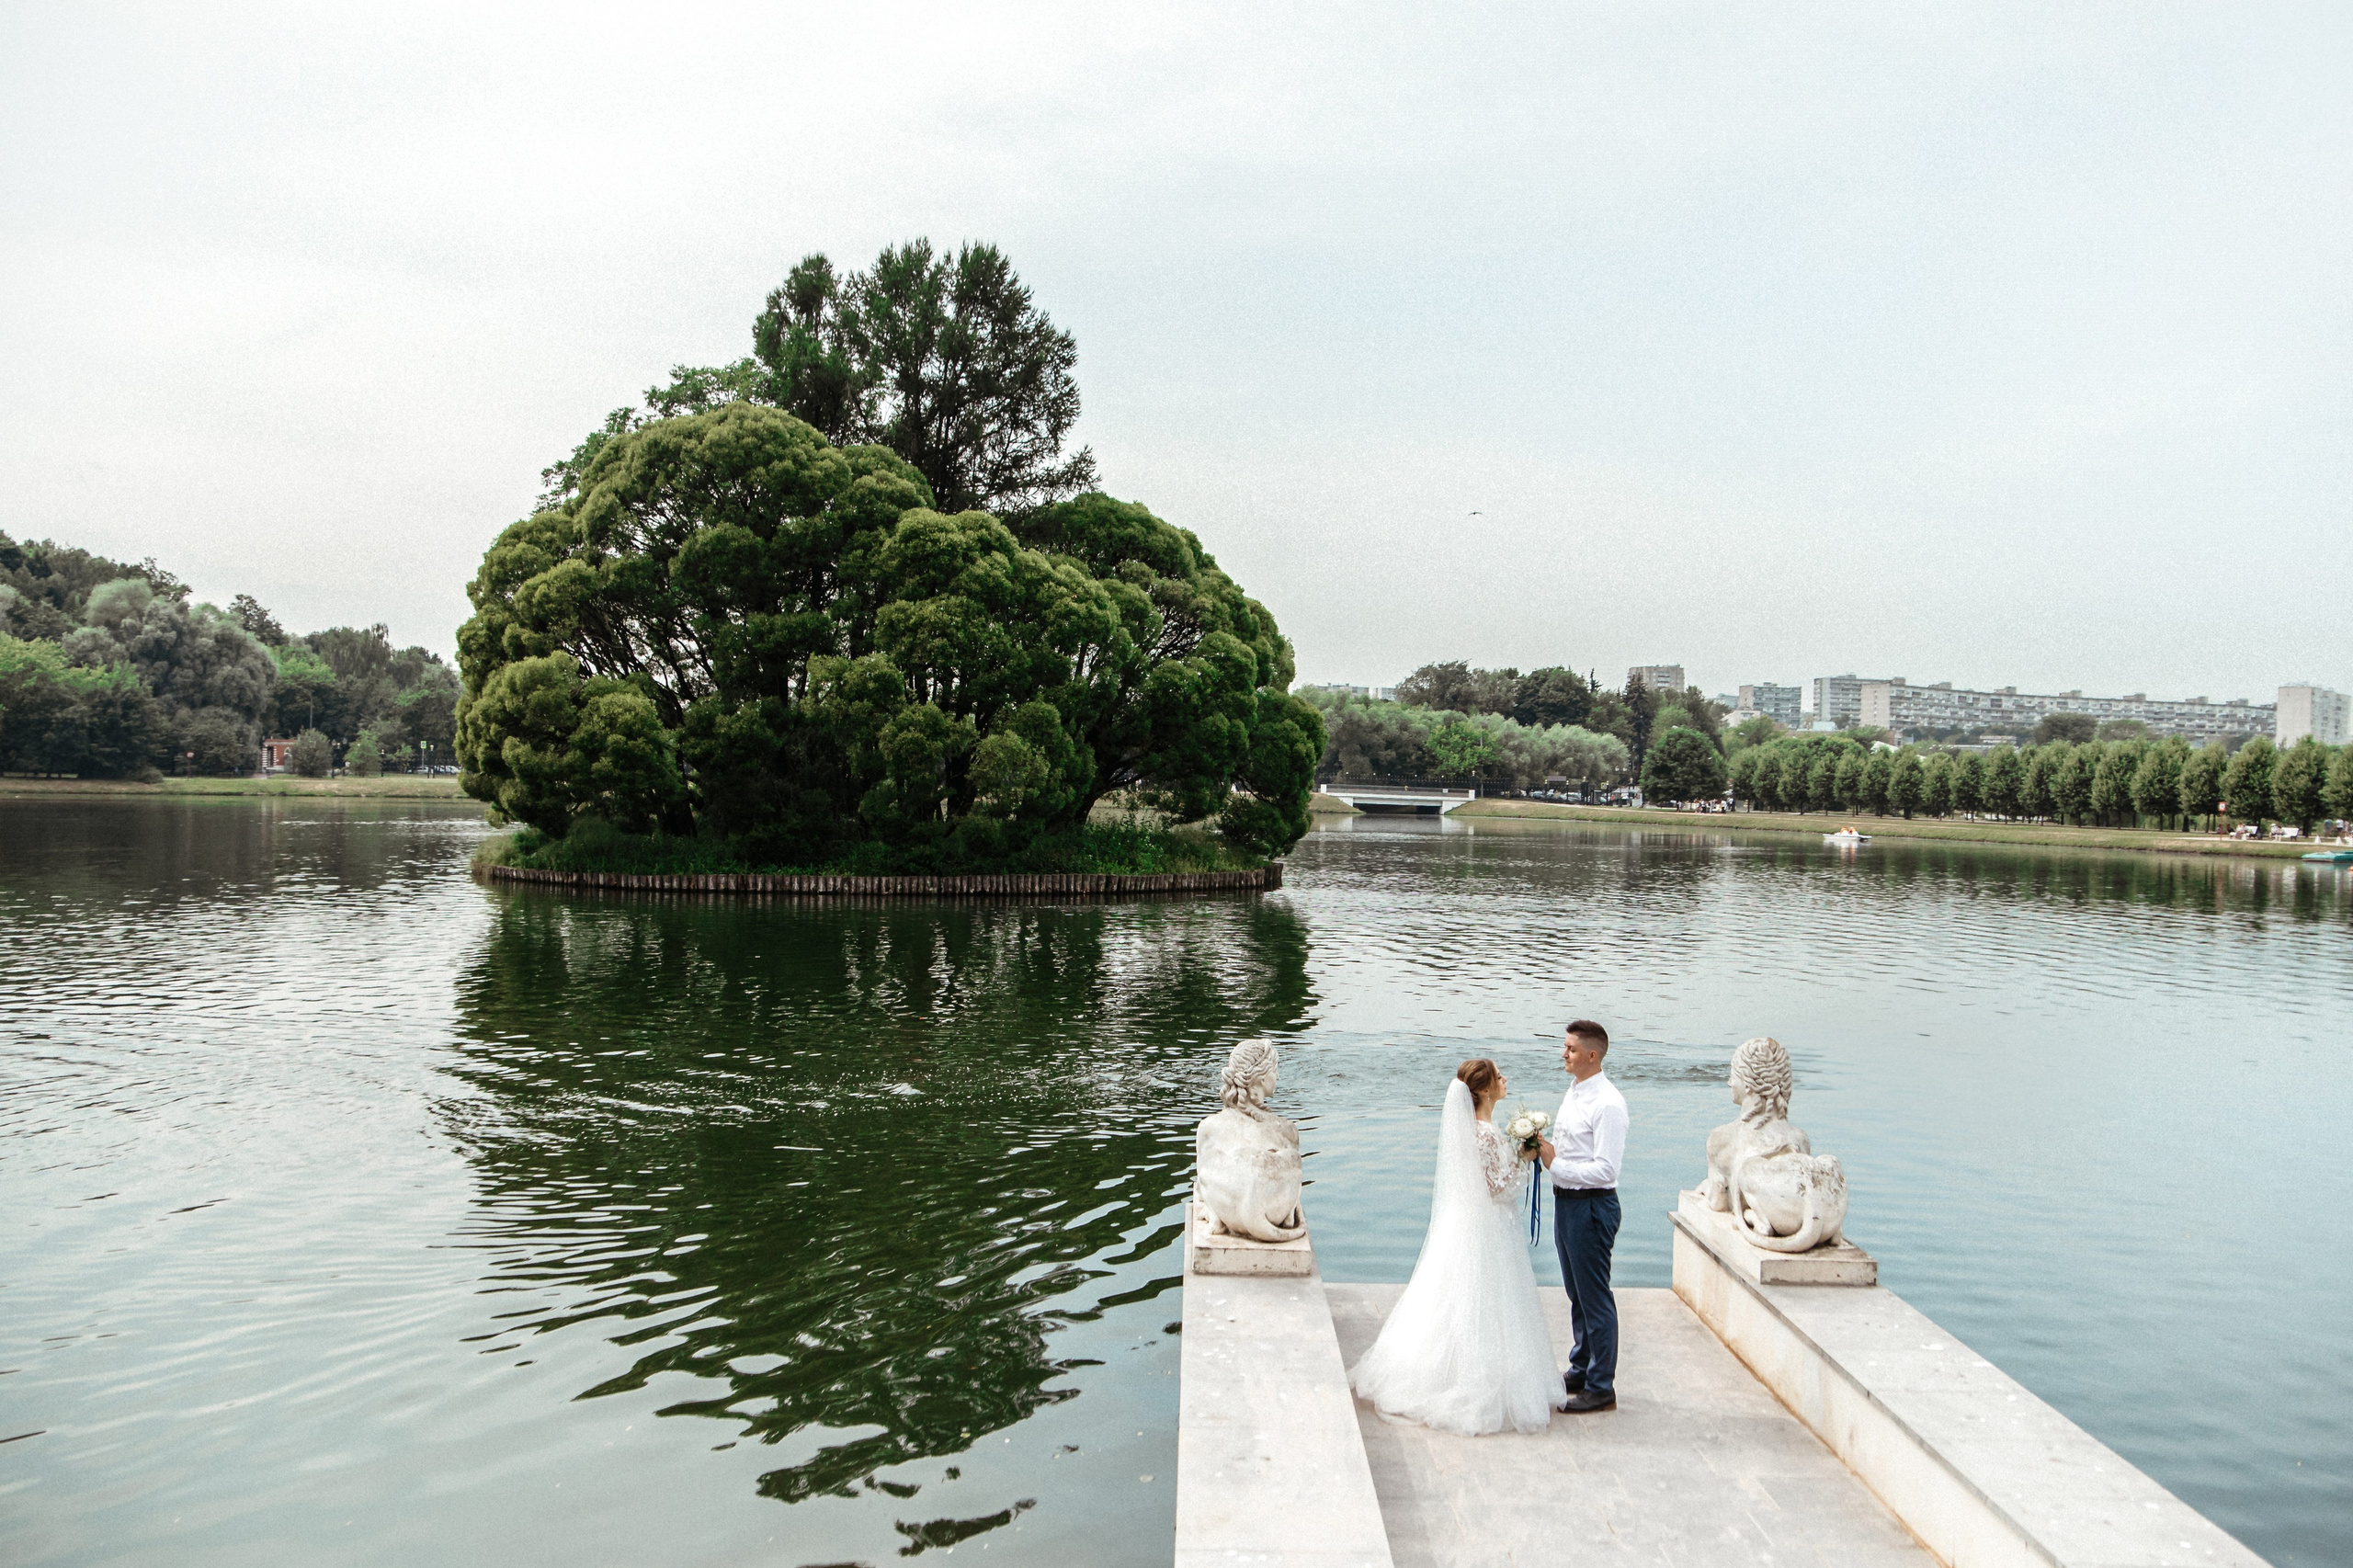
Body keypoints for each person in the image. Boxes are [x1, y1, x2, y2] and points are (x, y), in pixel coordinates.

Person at [1347, 1059, 1560, 1435]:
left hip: (1475, 1222)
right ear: (1484, 1090)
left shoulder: (1476, 1130)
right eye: (1498, 1076)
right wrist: (1525, 1162)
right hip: (1491, 1227)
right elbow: (1497, 1189)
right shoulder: (1485, 1134)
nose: (1505, 1079)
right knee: (1490, 1298)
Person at [1533, 1018, 1627, 1413]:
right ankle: (1581, 1366)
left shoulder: (1608, 1104)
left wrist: (1556, 1165)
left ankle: (1601, 1386)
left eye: (1571, 1049)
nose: (1564, 1054)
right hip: (1568, 1203)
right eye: (1565, 1047)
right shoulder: (1575, 1091)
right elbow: (1573, 1148)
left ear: (1592, 1055)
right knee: (1577, 1293)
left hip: (1592, 1206)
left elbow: (1606, 1169)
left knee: (1594, 1296)